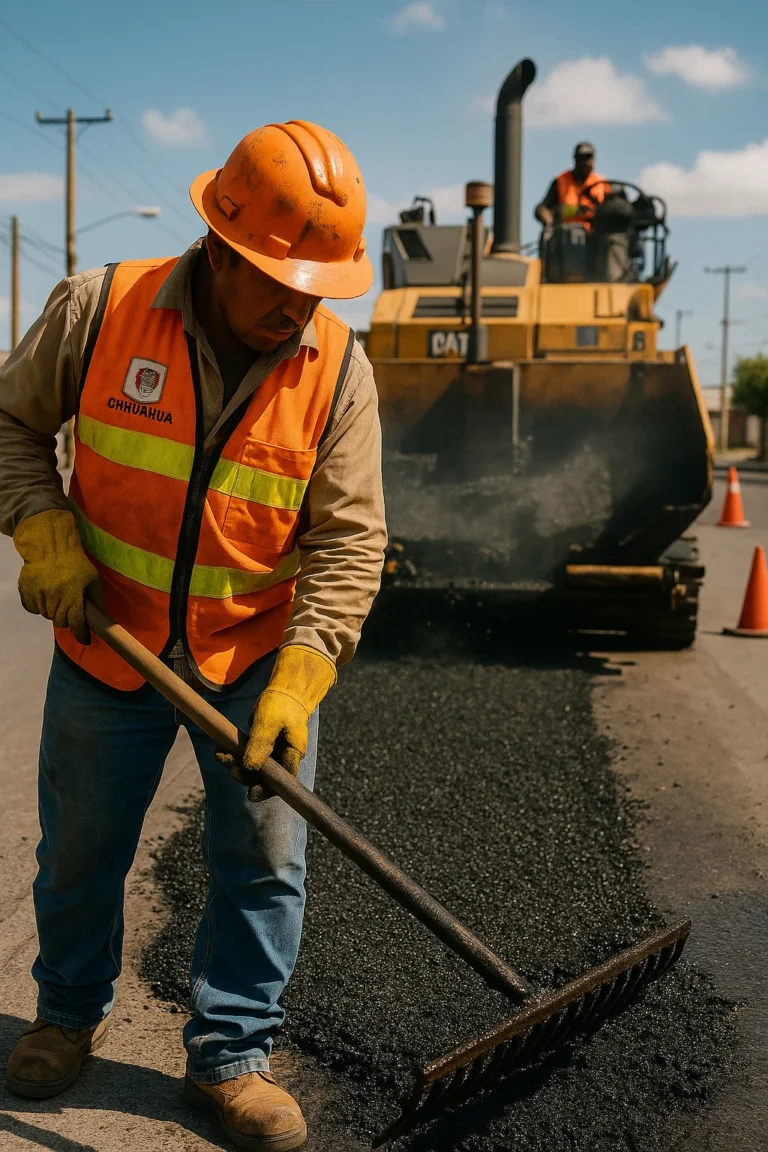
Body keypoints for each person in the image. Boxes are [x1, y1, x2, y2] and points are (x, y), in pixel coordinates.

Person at [1, 119, 386, 1152]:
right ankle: (67, 1017)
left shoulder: (339, 370)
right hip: (108, 636)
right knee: (82, 850)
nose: (301, 302)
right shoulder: (101, 308)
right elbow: (10, 424)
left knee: (263, 859)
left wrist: (301, 677)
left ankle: (232, 1058)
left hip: (256, 654)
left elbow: (351, 543)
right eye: (280, 278)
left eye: (318, 283)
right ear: (218, 248)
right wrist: (44, 530)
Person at [534, 142, 607, 230]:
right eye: (581, 158)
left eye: (588, 158)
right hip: (565, 236)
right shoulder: (560, 182)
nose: (585, 162)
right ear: (575, 160)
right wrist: (548, 220)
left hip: (595, 235)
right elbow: (542, 208)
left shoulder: (602, 184)